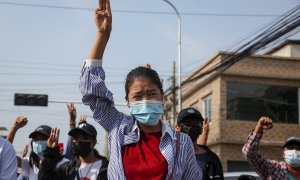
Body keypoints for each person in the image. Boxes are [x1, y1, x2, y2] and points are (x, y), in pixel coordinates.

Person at [79, 0, 202, 179]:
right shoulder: (118, 126)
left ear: (162, 96)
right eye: (137, 96)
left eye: (152, 94)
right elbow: (90, 88)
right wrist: (102, 35)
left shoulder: (181, 143)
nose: (145, 101)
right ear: (128, 101)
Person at [38, 123, 108, 180]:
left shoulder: (107, 169)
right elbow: (44, 178)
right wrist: (50, 151)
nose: (78, 141)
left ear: (93, 142)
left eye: (83, 138)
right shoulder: (67, 169)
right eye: (76, 138)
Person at [176, 107, 224, 180]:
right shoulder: (170, 155)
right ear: (177, 128)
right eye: (188, 123)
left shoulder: (212, 159)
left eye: (196, 123)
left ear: (201, 129)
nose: (192, 126)